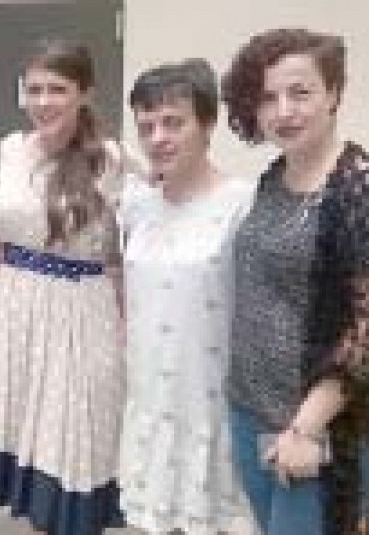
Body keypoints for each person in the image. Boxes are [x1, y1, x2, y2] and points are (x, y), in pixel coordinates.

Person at [222, 28, 369, 534]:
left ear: (333, 94)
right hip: (253, 412)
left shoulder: (367, 188)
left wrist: (307, 427)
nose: (283, 111)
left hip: (326, 428)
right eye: (268, 97)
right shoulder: (273, 177)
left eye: (300, 92)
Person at [0, 39, 128, 535]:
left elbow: (130, 241)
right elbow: (2, 222)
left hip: (77, 317)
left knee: (69, 449)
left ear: (84, 93)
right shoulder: (11, 148)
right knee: (32, 452)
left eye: (58, 89)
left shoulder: (109, 158)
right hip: (17, 310)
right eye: (34, 89)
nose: (43, 101)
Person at [116, 58, 251, 534]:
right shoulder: (135, 204)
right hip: (151, 402)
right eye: (146, 126)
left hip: (212, 404)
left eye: (173, 123)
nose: (158, 138)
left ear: (208, 124)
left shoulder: (242, 204)